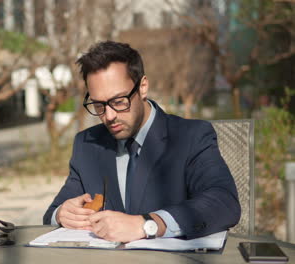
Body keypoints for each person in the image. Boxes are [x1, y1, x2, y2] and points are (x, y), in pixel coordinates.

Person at [42, 41, 241, 242]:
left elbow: (224, 202)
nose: (109, 116)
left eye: (119, 101)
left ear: (143, 87)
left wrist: (149, 224)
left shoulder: (190, 137)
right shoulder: (87, 144)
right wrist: (61, 213)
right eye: (99, 105)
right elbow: (52, 212)